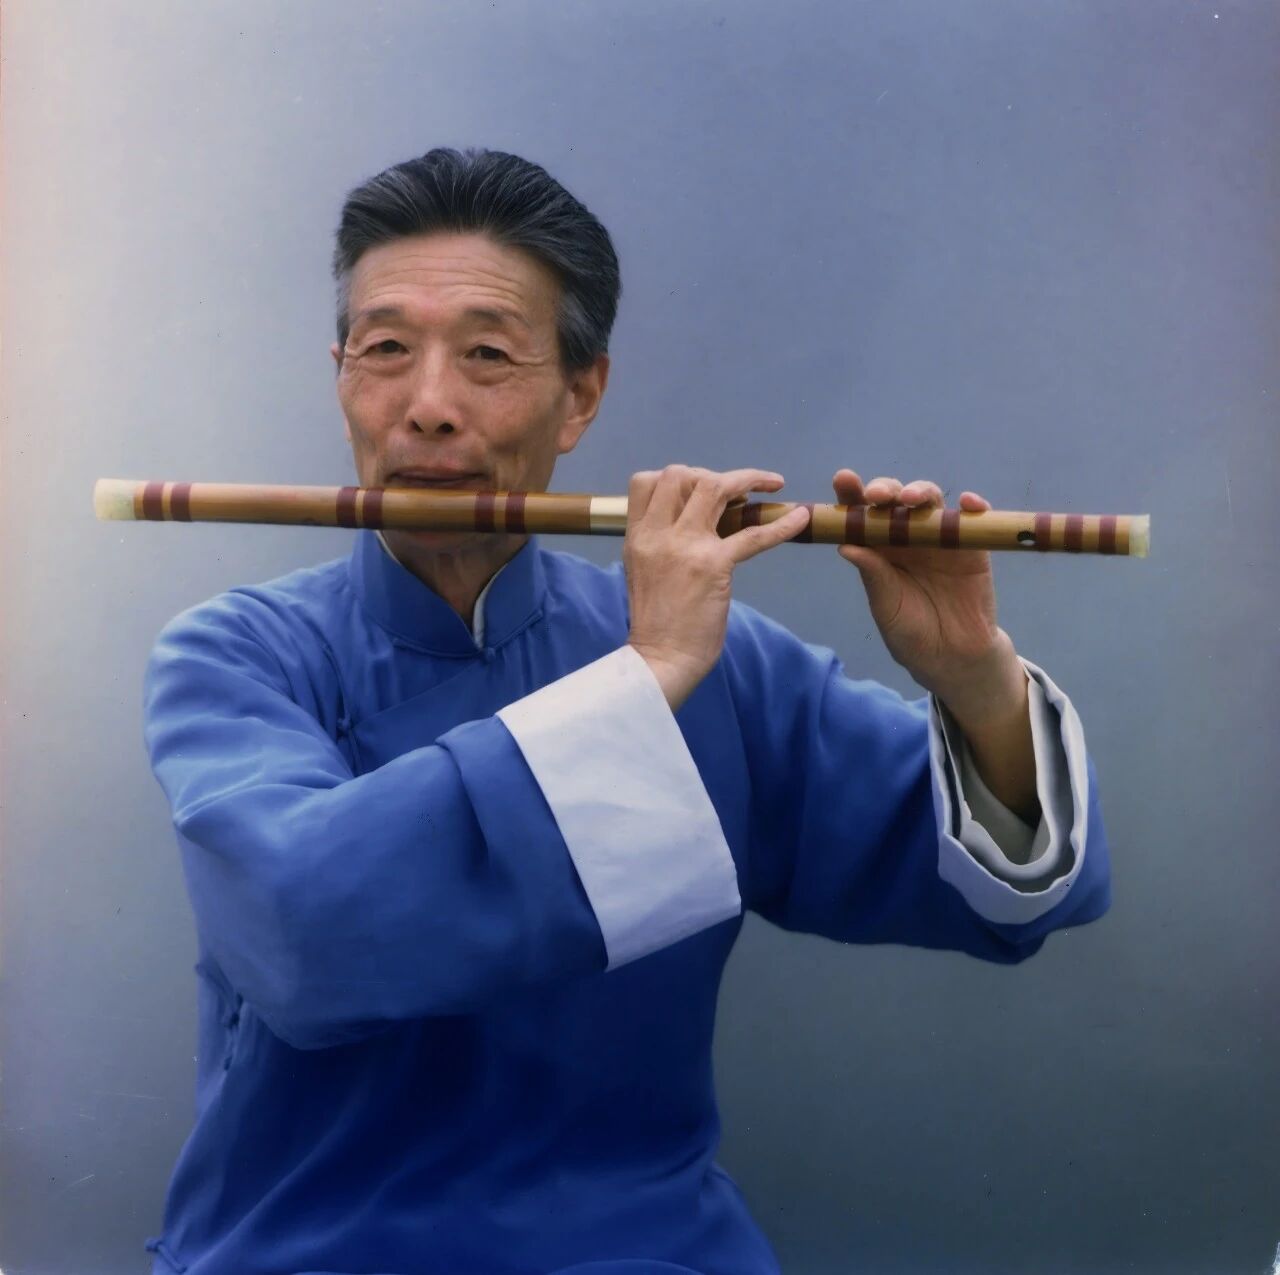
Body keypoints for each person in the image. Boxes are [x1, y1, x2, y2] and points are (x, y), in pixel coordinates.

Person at [140, 147, 1110, 1275]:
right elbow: (305, 937)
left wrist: (971, 675)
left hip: (640, 1247)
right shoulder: (237, 654)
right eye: (386, 350)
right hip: (306, 1246)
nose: (428, 407)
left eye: (488, 355)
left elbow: (1002, 898)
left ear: (581, 396)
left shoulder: (717, 662)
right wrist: (644, 679)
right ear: (341, 375)